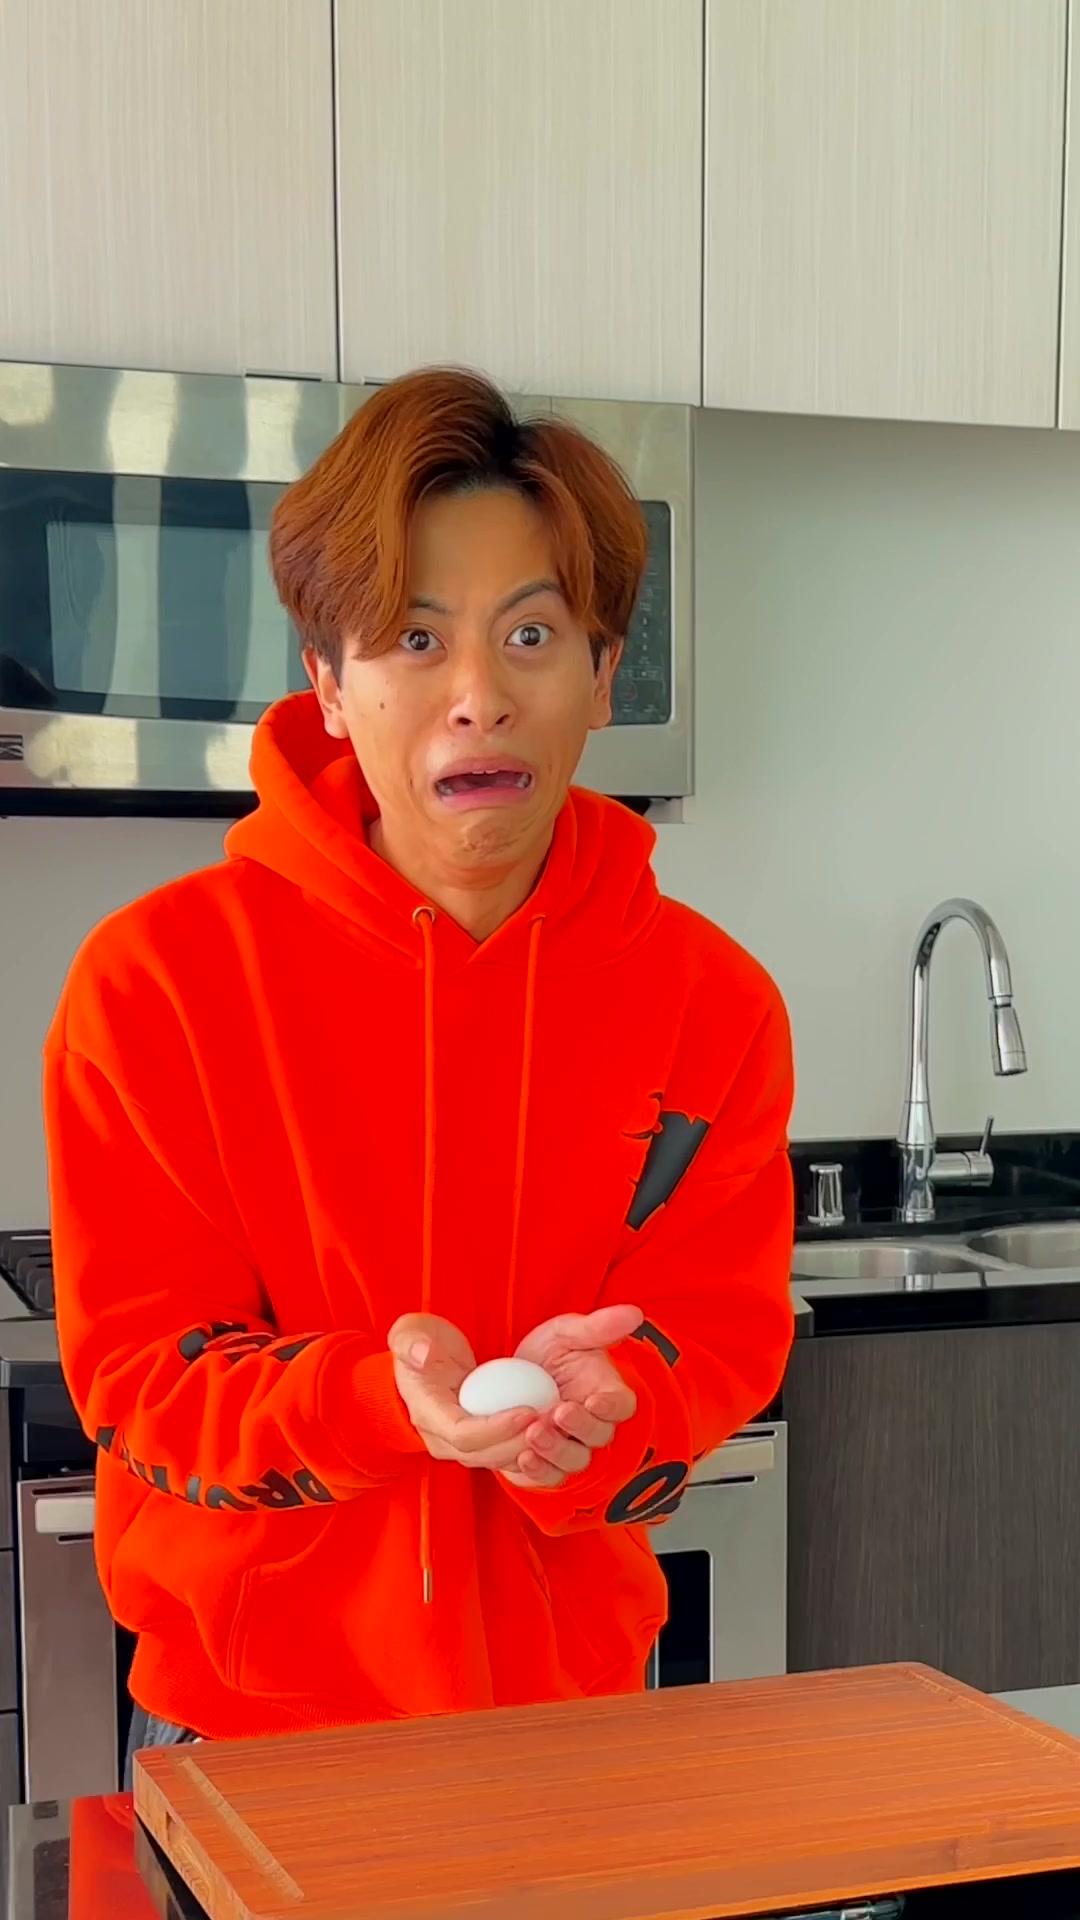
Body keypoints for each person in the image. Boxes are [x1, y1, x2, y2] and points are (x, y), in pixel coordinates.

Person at [45, 368, 795, 1776]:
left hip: (579, 1725)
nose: (477, 698)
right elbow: (144, 1380)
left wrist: (616, 1407)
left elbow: (720, 1331)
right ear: (330, 686)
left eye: (531, 635)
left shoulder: (712, 1006)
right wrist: (382, 1403)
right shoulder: (160, 986)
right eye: (413, 637)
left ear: (601, 676)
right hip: (255, 1736)